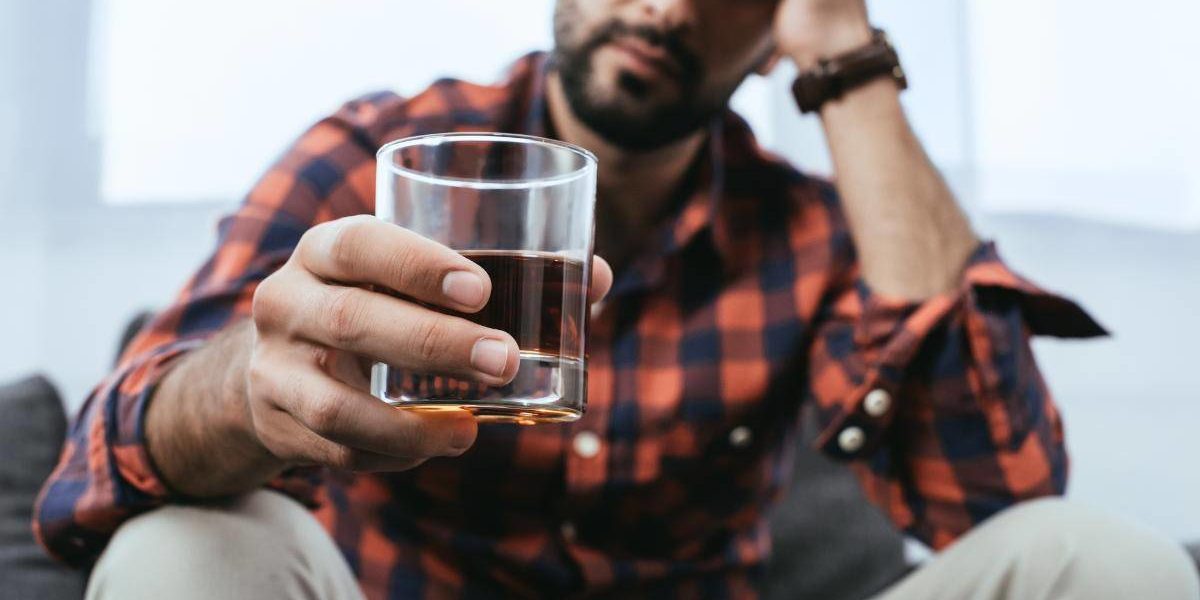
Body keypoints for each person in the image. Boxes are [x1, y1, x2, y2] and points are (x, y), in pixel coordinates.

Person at [34, 0, 1200, 598]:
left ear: (774, 37)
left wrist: (848, 59)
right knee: (188, 546)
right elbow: (92, 473)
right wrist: (243, 393)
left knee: (1100, 562)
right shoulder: (379, 159)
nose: (665, 7)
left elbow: (999, 501)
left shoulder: (814, 228)